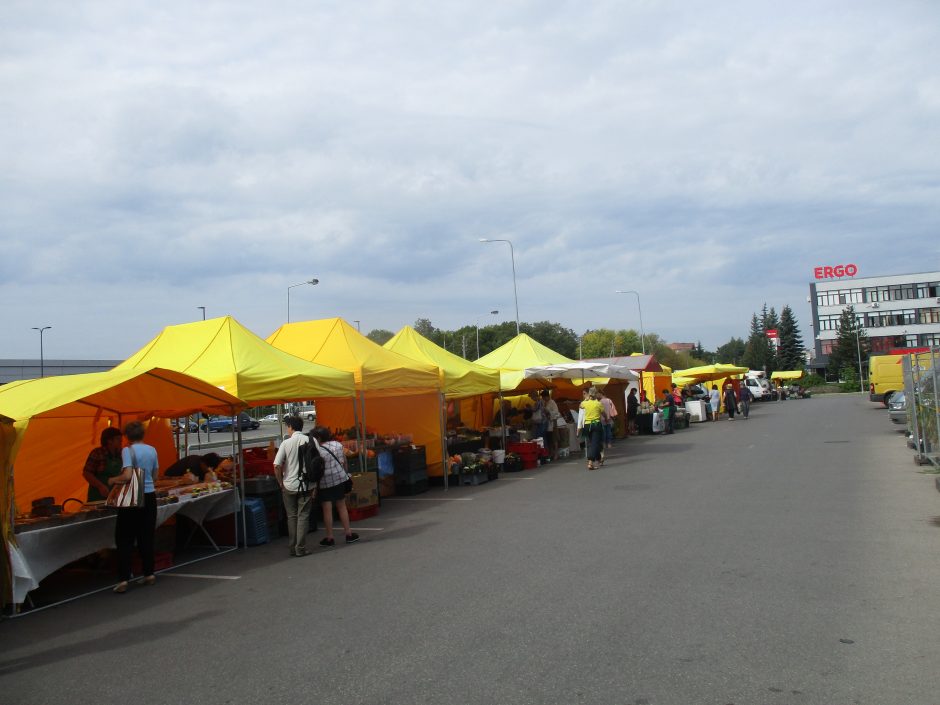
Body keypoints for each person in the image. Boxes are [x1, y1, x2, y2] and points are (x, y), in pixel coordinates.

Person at [109, 421, 159, 593]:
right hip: (150, 495)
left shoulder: (127, 450)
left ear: (127, 436)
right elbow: (155, 474)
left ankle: (123, 578)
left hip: (132, 498)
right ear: (143, 434)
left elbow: (128, 474)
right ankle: (149, 573)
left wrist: (113, 479)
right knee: (147, 535)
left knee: (124, 537)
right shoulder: (152, 450)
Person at [312, 426, 359, 547]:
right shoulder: (337, 445)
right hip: (339, 478)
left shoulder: (317, 450)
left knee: (327, 510)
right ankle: (349, 534)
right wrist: (345, 473)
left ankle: (330, 537)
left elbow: (316, 468)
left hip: (325, 482)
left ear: (318, 437)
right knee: (342, 506)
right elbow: (344, 460)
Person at [274, 416, 313, 557]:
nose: (287, 429)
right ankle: (300, 548)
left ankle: (292, 547)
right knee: (303, 516)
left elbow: (277, 465)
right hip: (307, 485)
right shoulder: (311, 440)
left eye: (287, 427)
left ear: (291, 427)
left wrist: (280, 482)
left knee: (292, 516)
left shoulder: (286, 443)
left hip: (289, 485)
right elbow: (320, 463)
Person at [82, 427, 124, 502]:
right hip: (98, 498)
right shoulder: (98, 453)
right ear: (109, 441)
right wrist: (100, 486)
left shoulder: (121, 454)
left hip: (115, 498)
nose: (121, 441)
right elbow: (87, 473)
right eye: (118, 439)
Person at [580, 388, 607, 470]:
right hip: (596, 424)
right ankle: (590, 462)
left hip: (587, 425)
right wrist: (606, 418)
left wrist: (587, 400)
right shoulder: (598, 404)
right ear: (595, 394)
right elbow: (604, 413)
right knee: (594, 443)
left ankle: (599, 459)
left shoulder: (584, 403)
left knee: (594, 442)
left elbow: (580, 406)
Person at [541, 390, 562, 461]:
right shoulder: (544, 403)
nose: (544, 399)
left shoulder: (552, 402)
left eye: (544, 397)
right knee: (549, 439)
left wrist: (548, 412)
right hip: (547, 423)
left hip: (553, 422)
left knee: (554, 438)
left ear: (547, 396)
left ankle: (556, 454)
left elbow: (556, 412)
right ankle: (551, 453)